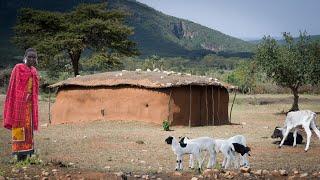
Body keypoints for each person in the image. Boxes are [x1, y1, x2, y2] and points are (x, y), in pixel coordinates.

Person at [3, 48, 39, 161]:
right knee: (18, 127)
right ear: (25, 57)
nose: (31, 59)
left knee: (28, 128)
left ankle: (27, 152)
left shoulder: (34, 71)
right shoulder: (18, 68)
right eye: (29, 56)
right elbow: (14, 87)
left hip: (29, 106)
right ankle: (19, 154)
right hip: (18, 104)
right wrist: (22, 97)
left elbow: (34, 90)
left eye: (34, 57)